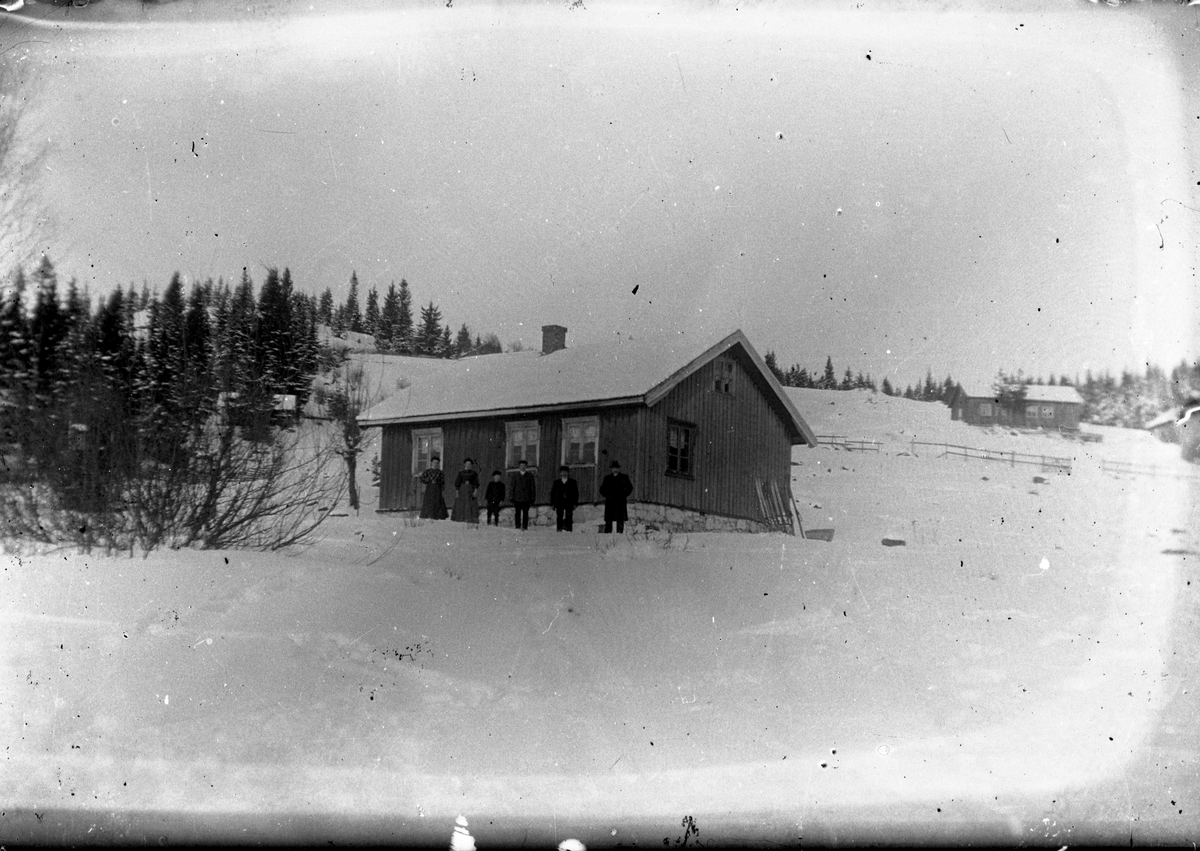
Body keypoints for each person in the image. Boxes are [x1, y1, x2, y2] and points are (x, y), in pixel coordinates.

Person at [599, 459, 634, 533]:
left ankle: (619, 536)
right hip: (610, 502)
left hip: (620, 502)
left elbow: (630, 488)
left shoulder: (624, 478)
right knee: (609, 521)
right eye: (614, 468)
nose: (615, 470)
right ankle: (607, 536)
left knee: (620, 520)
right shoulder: (607, 478)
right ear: (611, 469)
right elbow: (602, 489)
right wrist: (607, 495)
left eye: (617, 468)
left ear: (619, 469)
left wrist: (624, 494)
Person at [550, 465, 578, 532]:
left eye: (566, 472)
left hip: (569, 502)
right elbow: (552, 493)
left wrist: (575, 503)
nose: (564, 474)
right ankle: (559, 530)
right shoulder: (556, 483)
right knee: (559, 516)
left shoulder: (573, 482)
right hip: (559, 502)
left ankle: (569, 530)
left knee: (569, 516)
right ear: (560, 473)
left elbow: (576, 493)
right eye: (563, 472)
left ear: (568, 473)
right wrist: (552, 504)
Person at [451, 458, 480, 523]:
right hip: (462, 490)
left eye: (469, 464)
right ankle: (461, 518)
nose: (468, 465)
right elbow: (457, 483)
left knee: (470, 504)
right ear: (464, 465)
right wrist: (457, 491)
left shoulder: (474, 473)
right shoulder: (461, 473)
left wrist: (475, 491)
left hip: (470, 490)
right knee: (461, 504)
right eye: (467, 464)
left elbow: (476, 483)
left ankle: (469, 518)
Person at [511, 459, 536, 530]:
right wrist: (511, 497)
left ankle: (525, 526)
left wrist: (532, 498)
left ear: (526, 467)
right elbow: (512, 487)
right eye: (521, 466)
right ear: (519, 467)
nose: (522, 467)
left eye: (524, 466)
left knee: (525, 513)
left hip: (526, 498)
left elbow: (532, 488)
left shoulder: (530, 476)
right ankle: (517, 526)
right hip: (517, 498)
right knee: (517, 513)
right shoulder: (515, 476)